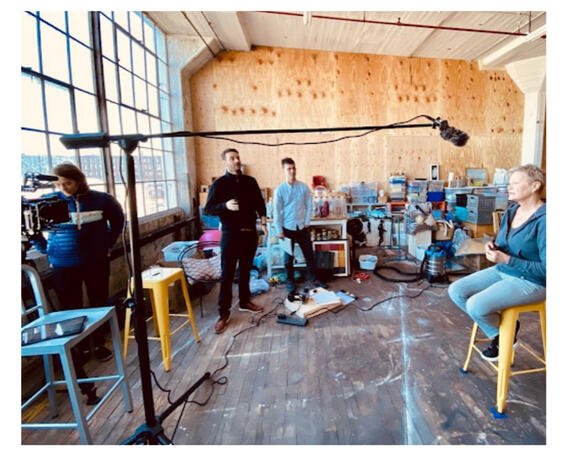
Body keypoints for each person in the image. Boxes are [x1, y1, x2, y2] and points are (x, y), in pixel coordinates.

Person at [31, 162, 125, 404]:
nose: (64, 188)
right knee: (69, 308)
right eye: (60, 184)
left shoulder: (101, 199)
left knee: (98, 302)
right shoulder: (49, 202)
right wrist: (46, 249)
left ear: (79, 180)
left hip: (95, 260)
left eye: (68, 183)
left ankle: (99, 343)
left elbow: (118, 220)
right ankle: (79, 348)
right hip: (63, 264)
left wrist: (107, 244)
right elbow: (33, 229)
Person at [448, 164, 546, 361]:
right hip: (504, 269)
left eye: (515, 183)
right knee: (456, 290)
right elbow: (504, 242)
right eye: (509, 183)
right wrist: (492, 246)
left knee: (476, 305)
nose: (509, 187)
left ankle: (503, 336)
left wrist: (507, 259)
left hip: (532, 281)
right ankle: (502, 334)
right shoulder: (512, 210)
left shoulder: (546, 219)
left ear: (535, 186)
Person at [204, 149, 267, 334]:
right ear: (225, 162)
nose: (236, 160)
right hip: (231, 234)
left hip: (249, 233)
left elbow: (260, 203)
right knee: (227, 274)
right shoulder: (219, 184)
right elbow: (208, 209)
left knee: (246, 270)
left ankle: (245, 301)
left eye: (238, 157)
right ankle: (223, 313)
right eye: (232, 158)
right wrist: (225, 206)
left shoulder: (250, 181)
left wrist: (263, 222)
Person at [273, 157, 327, 299]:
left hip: (302, 227)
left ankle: (314, 279)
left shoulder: (303, 187)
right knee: (288, 259)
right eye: (289, 169)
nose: (292, 171)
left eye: (294, 168)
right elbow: (276, 212)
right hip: (287, 228)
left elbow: (309, 205)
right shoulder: (279, 190)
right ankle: (290, 281)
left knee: (309, 255)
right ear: (284, 170)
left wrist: (307, 221)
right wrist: (279, 230)